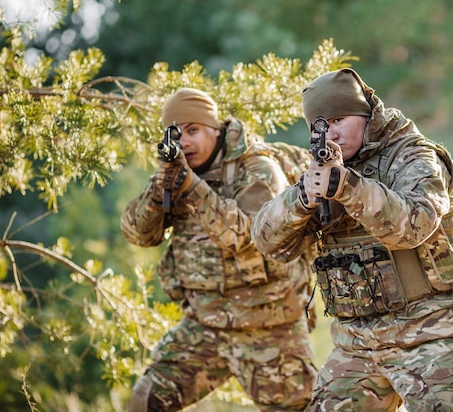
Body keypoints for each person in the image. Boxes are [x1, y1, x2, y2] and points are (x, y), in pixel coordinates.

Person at [251, 68, 453, 412]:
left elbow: (415, 224)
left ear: (365, 115)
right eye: (320, 126)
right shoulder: (323, 168)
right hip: (357, 343)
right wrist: (302, 198)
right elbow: (269, 243)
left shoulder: (414, 156)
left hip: (432, 333)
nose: (331, 133)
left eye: (338, 120)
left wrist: (347, 187)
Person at [121, 87, 317, 412]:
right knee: (146, 401)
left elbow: (249, 237)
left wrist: (191, 188)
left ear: (215, 127)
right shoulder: (178, 171)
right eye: (176, 133)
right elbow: (139, 235)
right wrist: (159, 191)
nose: (184, 141)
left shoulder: (258, 168)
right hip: (205, 323)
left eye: (193, 130)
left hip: (268, 326)